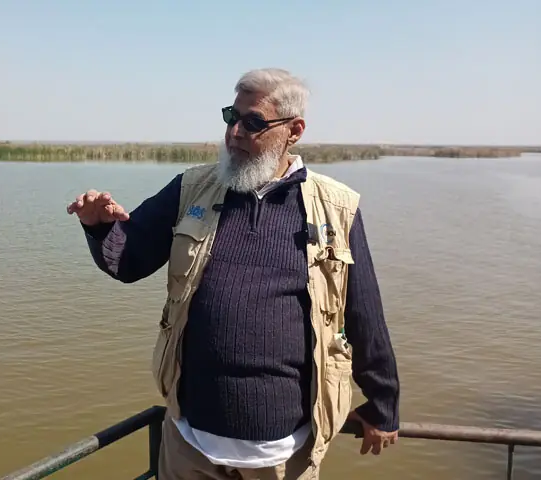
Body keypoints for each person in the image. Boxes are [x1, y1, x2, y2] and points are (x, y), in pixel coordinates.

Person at [66, 68, 400, 480]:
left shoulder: (336, 207)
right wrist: (99, 227)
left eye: (253, 122)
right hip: (188, 444)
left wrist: (383, 404)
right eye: (231, 116)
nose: (235, 131)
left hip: (283, 455)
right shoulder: (192, 188)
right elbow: (129, 260)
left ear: (294, 131)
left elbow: (363, 312)